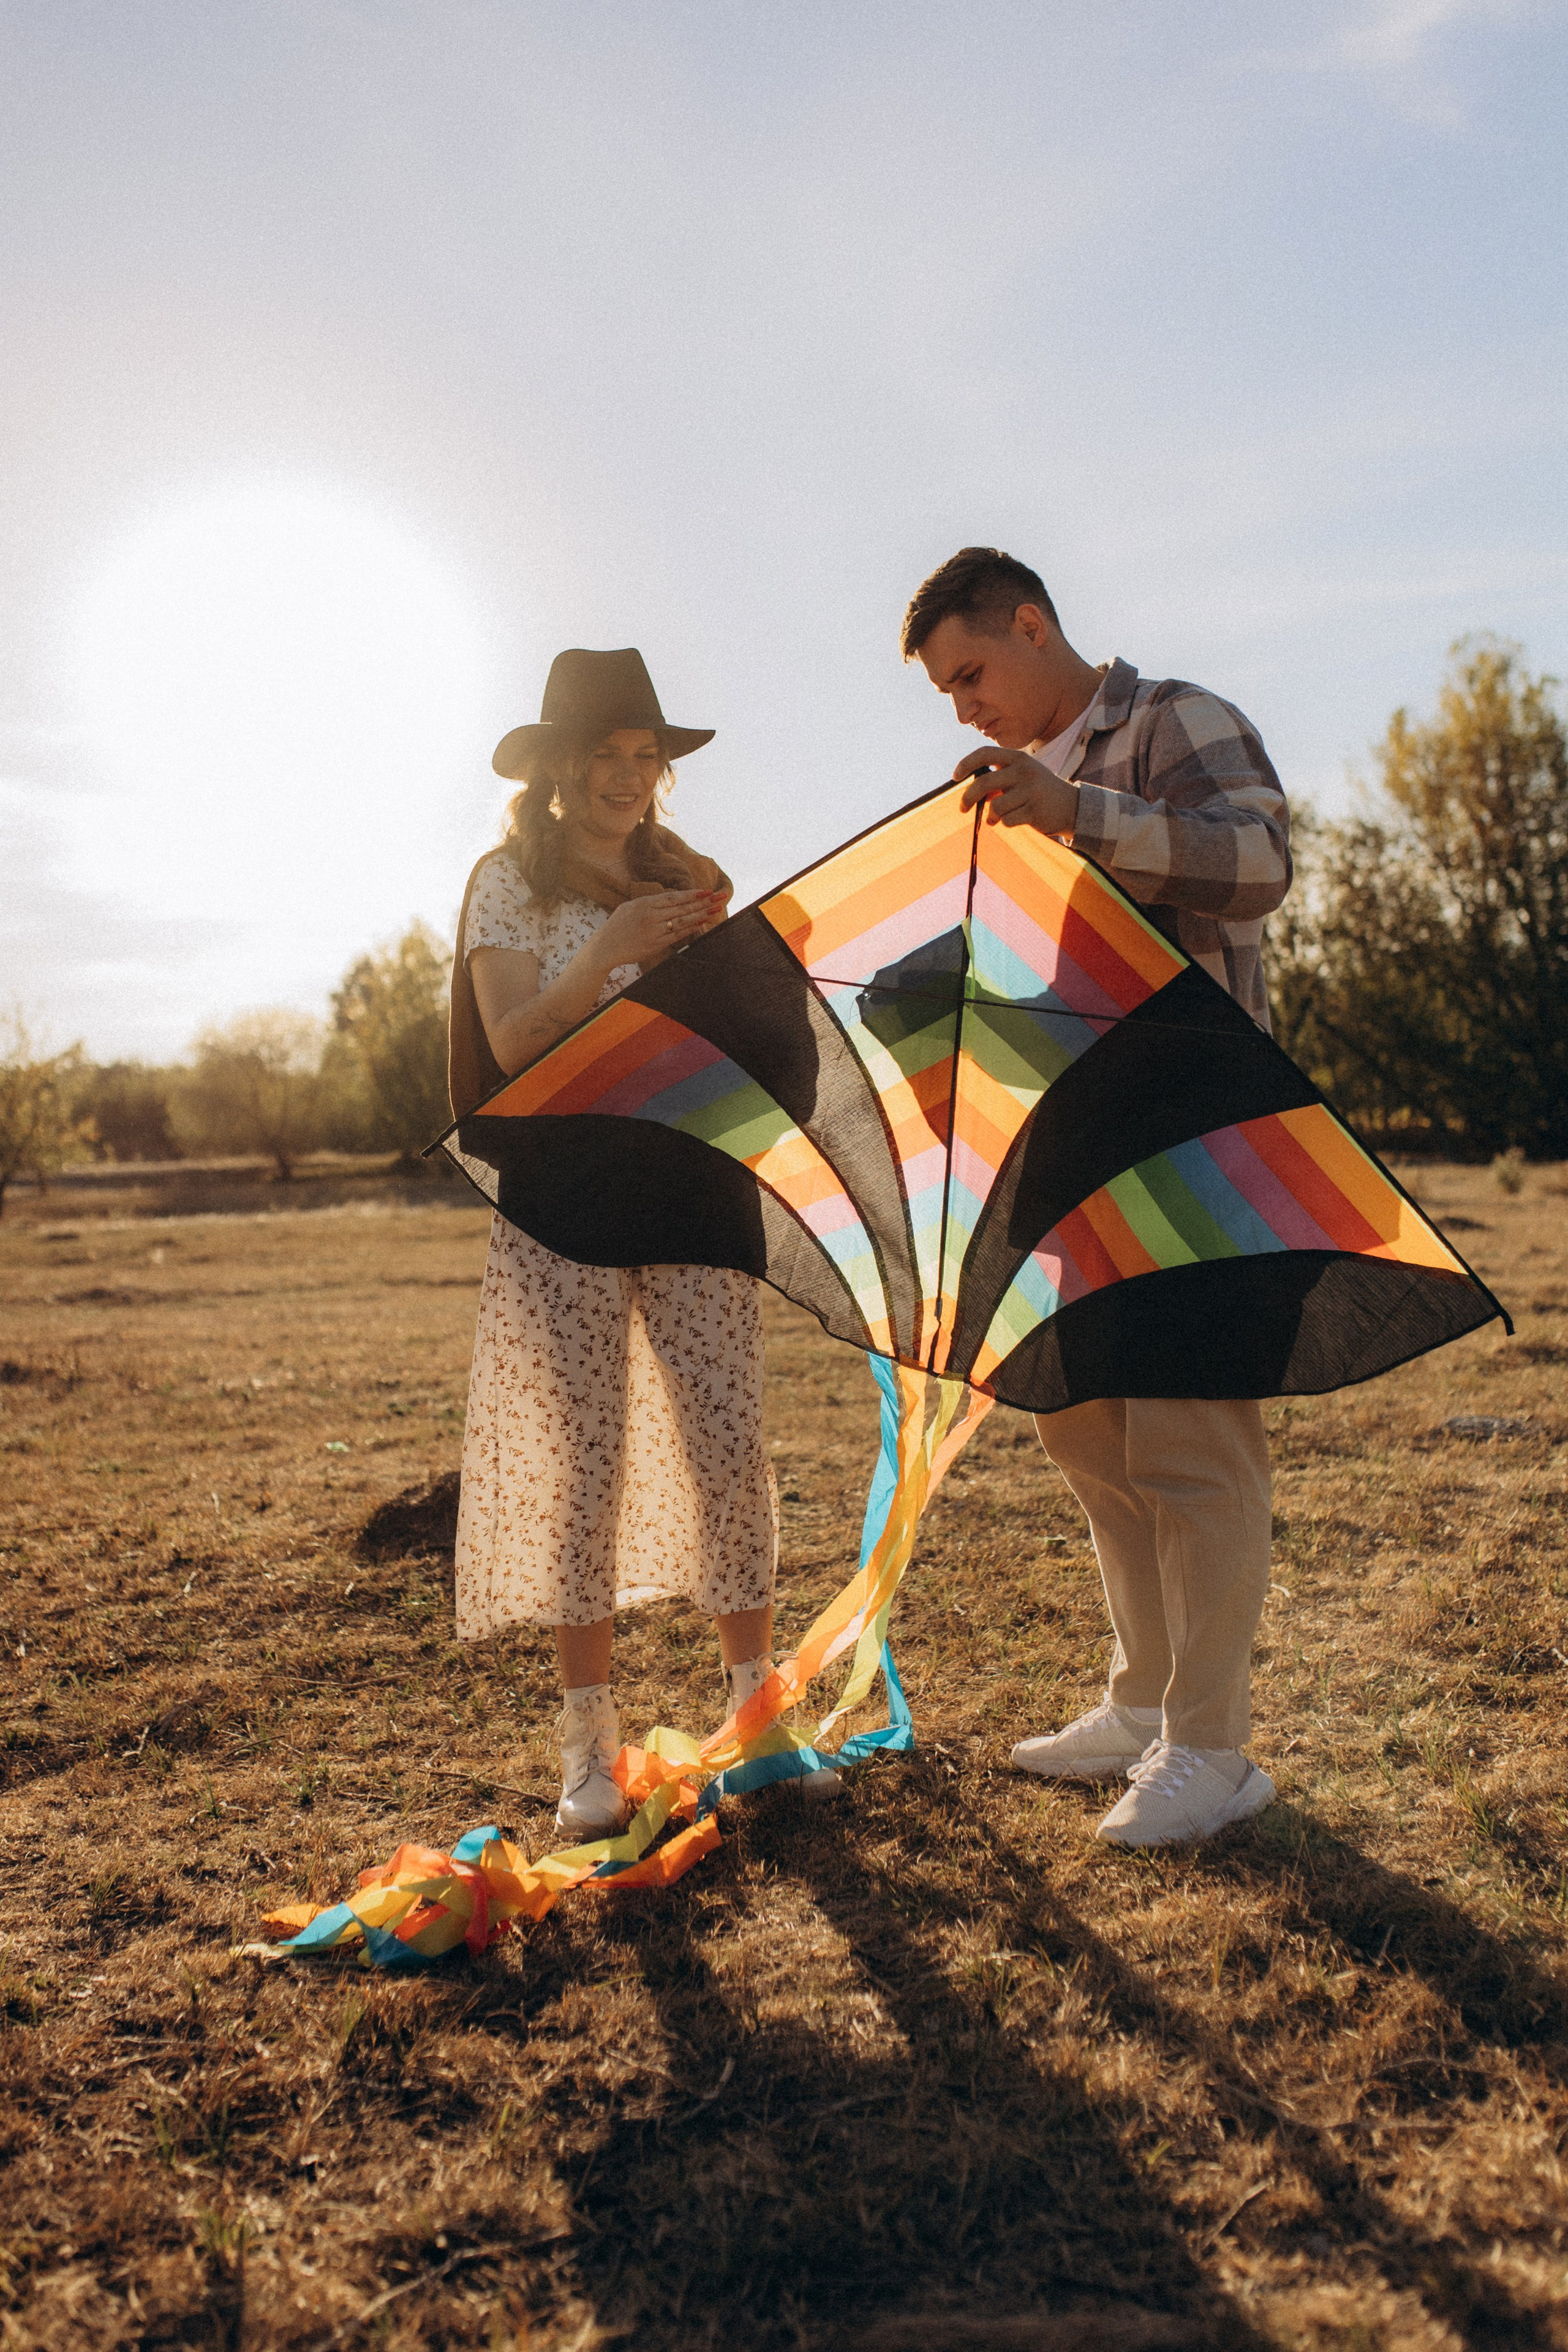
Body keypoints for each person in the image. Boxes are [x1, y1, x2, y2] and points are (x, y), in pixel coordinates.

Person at [902, 548, 1291, 1848]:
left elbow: (1256, 869)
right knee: (1087, 1439)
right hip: (1066, 1146)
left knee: (1190, 1448)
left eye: (971, 673)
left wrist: (1077, 813)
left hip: (1191, 1133)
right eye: (945, 695)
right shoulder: (997, 792)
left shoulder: (1175, 720)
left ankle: (1214, 1750)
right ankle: (1140, 1705)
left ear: (1030, 624)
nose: (965, 708)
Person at [447, 646, 785, 1839]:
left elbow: (732, 1027)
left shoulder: (688, 875)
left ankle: (758, 1722)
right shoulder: (507, 885)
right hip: (564, 1195)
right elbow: (507, 1047)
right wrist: (607, 949)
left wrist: (707, 932)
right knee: (581, 1466)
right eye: (606, 757)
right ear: (554, 769)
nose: (629, 779)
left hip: (687, 1180)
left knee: (725, 1443)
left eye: (646, 758)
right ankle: (586, 1751)